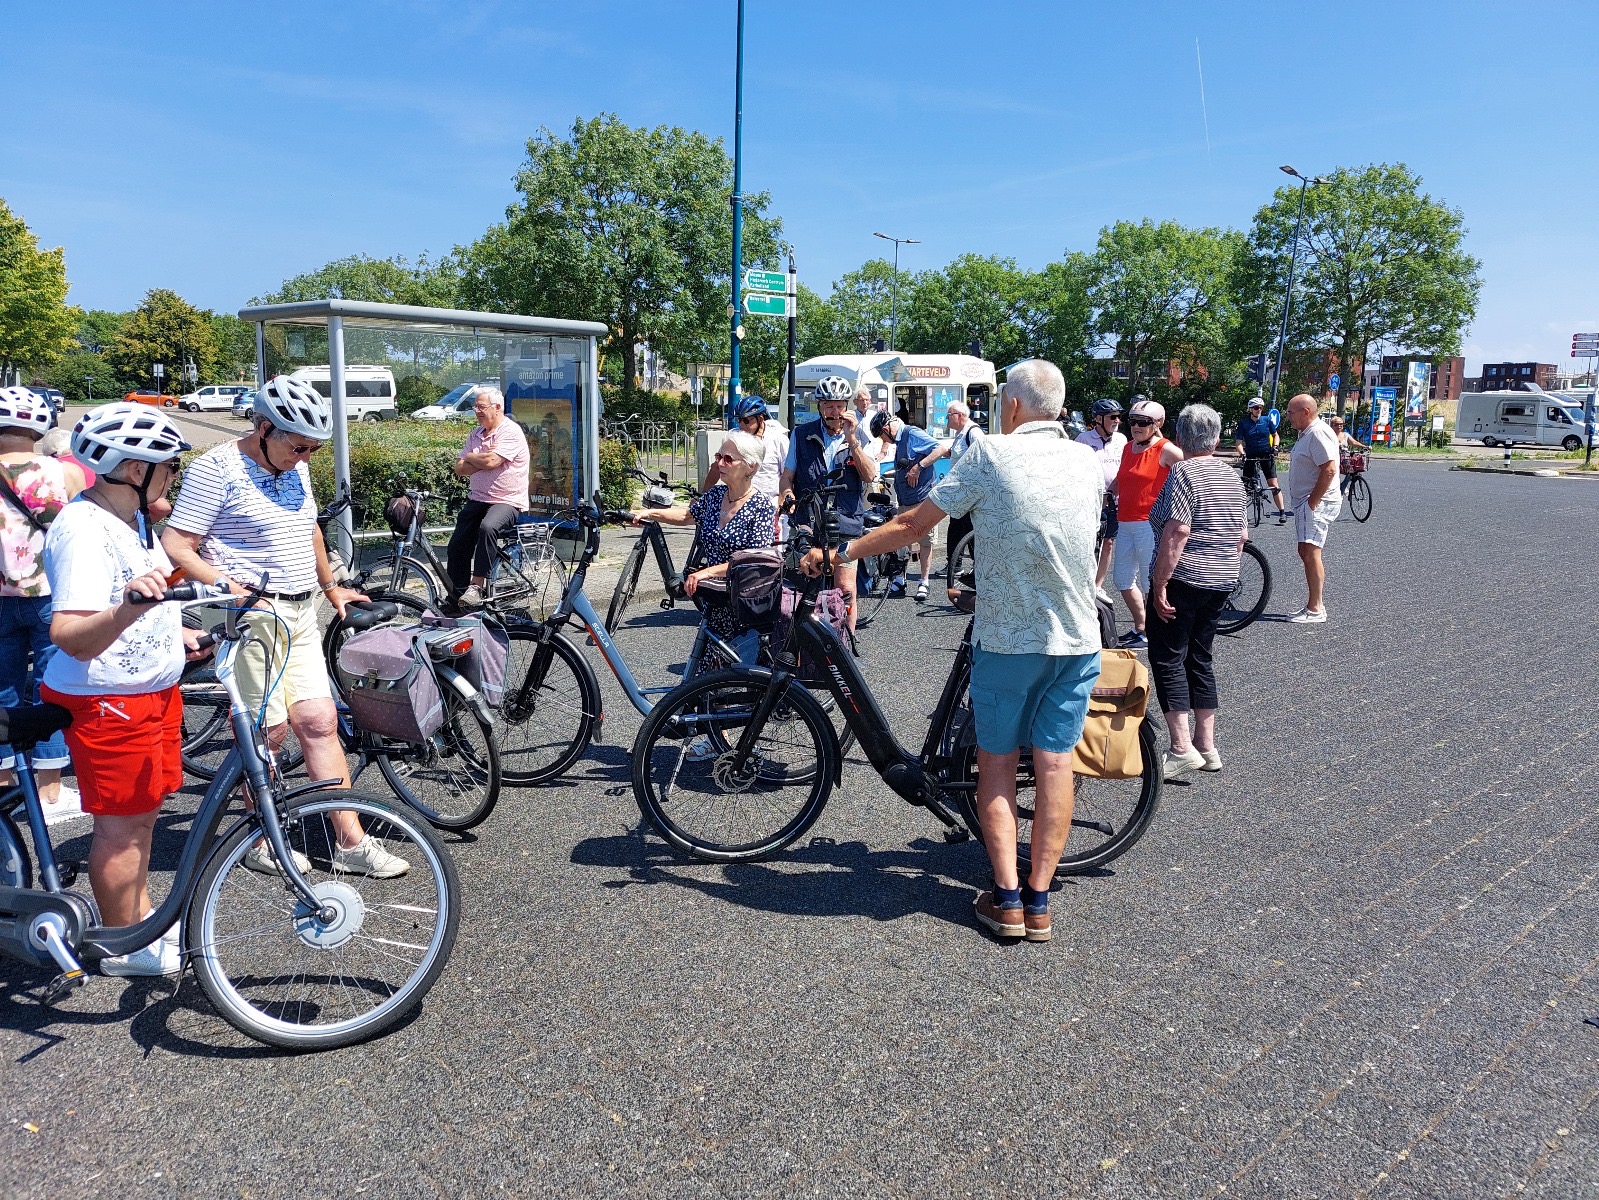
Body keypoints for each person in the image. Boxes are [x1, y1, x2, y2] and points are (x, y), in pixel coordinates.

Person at [801, 360, 1103, 944]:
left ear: (1012, 406)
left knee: (996, 764)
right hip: (1076, 637)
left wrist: (843, 553)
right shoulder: (1088, 460)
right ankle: (1040, 903)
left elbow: (915, 524)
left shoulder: (991, 453)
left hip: (1010, 640)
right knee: (1055, 765)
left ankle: (1007, 900)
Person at [162, 375, 408, 877]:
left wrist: (332, 586)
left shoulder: (296, 465)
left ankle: (350, 842)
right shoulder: (216, 469)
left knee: (319, 721)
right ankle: (260, 838)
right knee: (267, 731)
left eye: (313, 449)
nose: (305, 458)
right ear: (263, 428)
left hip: (298, 610)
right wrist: (227, 586)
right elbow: (177, 544)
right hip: (244, 614)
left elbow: (308, 527)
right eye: (298, 447)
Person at [39, 403, 209, 976]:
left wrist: (175, 632)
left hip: (148, 691)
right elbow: (71, 636)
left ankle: (138, 919)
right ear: (136, 470)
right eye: (170, 466)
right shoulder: (84, 530)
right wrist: (131, 609)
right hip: (107, 698)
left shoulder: (131, 520)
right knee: (121, 829)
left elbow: (134, 602)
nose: (174, 476)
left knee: (143, 818)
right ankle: (121, 945)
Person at [632, 430, 777, 758]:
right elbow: (687, 515)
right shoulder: (717, 496)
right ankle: (713, 735)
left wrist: (707, 572)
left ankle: (729, 739)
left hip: (743, 603)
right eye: (718, 457)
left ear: (750, 467)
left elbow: (752, 559)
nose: (719, 463)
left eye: (728, 458)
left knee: (733, 675)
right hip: (715, 600)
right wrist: (650, 514)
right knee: (710, 673)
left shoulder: (760, 507)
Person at [1146, 404, 1247, 782]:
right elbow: (1241, 535)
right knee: (1200, 657)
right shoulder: (1231, 475)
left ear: (1179, 437)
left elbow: (1177, 531)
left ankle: (1181, 747)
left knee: (1168, 656)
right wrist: (1225, 569)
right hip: (1222, 579)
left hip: (1185, 576)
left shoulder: (1183, 472)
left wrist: (1160, 584)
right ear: (1217, 440)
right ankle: (1207, 745)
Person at [0, 387, 85, 820]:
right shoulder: (60, 471)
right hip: (51, 593)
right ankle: (49, 791)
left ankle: (4, 784)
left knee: (3, 688)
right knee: (51, 687)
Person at [780, 375, 879, 633]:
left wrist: (853, 441)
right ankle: (805, 644)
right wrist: (787, 496)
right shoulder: (801, 434)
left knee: (845, 589)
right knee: (805, 589)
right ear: (820, 406)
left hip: (845, 522)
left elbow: (869, 475)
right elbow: (787, 477)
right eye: (829, 406)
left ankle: (845, 643)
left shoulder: (859, 434)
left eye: (839, 406)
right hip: (809, 521)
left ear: (847, 406)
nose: (835, 413)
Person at [446, 386, 529, 608]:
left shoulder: (510, 432)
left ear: (497, 407)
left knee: (488, 527)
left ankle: (476, 587)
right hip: (479, 498)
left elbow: (491, 462)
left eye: (481, 407)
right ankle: (457, 597)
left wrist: (472, 456)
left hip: (507, 500)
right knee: (458, 544)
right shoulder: (475, 434)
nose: (477, 411)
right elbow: (459, 468)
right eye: (475, 407)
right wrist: (480, 459)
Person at [1112, 397, 1183, 647]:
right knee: (1122, 580)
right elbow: (1120, 480)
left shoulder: (1166, 449)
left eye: (1143, 422)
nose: (1136, 426)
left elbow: (1191, 473)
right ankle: (1141, 627)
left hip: (1150, 525)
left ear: (1158, 423)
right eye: (1132, 421)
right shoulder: (1127, 448)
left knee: (1149, 582)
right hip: (1125, 523)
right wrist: (1104, 497)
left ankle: (1155, 634)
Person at [870, 410, 942, 602]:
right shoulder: (900, 440)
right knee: (902, 541)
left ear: (886, 429)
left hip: (923, 499)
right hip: (905, 500)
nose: (884, 441)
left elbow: (940, 448)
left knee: (925, 541)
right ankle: (900, 581)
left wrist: (918, 467)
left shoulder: (912, 433)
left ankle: (924, 582)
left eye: (882, 437)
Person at [1284, 394, 1342, 624]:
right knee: (1306, 551)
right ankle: (1313, 605)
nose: (1288, 417)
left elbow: (1329, 469)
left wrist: (1313, 502)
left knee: (1311, 552)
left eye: (1291, 412)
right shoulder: (1308, 433)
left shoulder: (1317, 433)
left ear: (1305, 411)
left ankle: (1316, 608)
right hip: (1308, 502)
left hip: (1315, 502)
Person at [920, 400, 984, 603]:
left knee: (968, 530)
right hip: (960, 494)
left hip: (970, 494)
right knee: (956, 529)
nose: (946, 419)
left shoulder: (973, 433)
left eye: (949, 415)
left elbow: (983, 460)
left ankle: (977, 570)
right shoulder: (960, 434)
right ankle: (955, 565)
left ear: (960, 415)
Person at [1075, 398, 1125, 600]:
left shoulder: (1121, 439)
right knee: (1087, 542)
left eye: (1118, 417)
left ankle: (1098, 585)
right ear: (1098, 419)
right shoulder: (1083, 439)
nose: (1117, 420)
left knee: (1108, 543)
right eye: (1112, 417)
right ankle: (1083, 582)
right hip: (1091, 501)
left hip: (1114, 501)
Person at [706, 395, 788, 509]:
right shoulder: (733, 436)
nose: (741, 425)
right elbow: (716, 468)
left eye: (746, 421)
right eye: (739, 420)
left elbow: (787, 475)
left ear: (760, 419)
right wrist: (702, 497)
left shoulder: (778, 440)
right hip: (737, 505)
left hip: (769, 506)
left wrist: (781, 502)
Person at [1234, 396, 1287, 523]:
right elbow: (1239, 442)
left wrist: (1275, 447)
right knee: (1246, 487)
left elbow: (1275, 435)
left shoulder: (1267, 420)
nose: (1259, 410)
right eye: (1256, 408)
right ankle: (1240, 515)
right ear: (1250, 409)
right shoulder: (1244, 424)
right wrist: (1242, 454)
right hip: (1250, 456)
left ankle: (1282, 512)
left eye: (1261, 408)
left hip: (1266, 455)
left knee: (1274, 485)